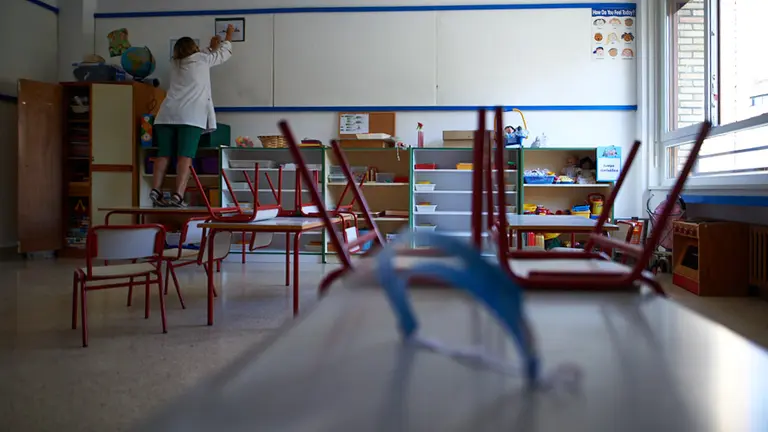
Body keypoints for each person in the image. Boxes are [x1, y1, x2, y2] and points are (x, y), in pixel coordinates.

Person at [150, 24, 235, 207]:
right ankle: (177, 195)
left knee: (163, 154)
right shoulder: (203, 60)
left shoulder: (174, 64)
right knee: (185, 156)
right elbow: (223, 54)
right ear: (194, 49)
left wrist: (211, 47)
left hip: (166, 115)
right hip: (189, 117)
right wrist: (228, 36)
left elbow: (198, 56)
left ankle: (156, 190)